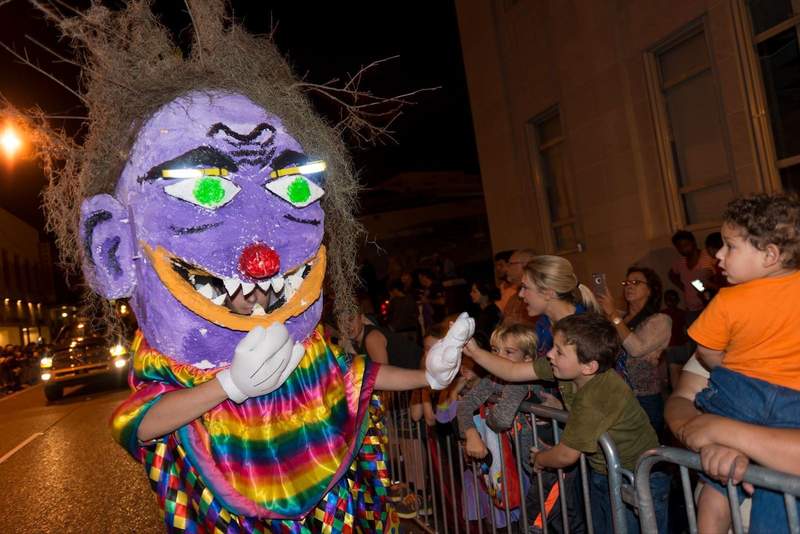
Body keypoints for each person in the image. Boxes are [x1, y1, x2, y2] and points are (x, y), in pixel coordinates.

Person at [466, 314, 668, 534]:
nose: (550, 354)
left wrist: (540, 459)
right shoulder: (563, 367)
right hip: (605, 471)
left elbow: (566, 455)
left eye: (559, 351)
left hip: (639, 477)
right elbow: (513, 371)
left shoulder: (598, 395)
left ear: (589, 367)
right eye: (554, 346)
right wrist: (476, 352)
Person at [679, 194, 800, 534]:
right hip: (794, 406)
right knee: (782, 485)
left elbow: (706, 352)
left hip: (740, 396)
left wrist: (730, 367)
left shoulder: (729, 298)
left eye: (729, 247)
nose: (718, 255)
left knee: (716, 482)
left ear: (770, 255)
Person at [597, 266, 671, 436]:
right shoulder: (620, 318)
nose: (629, 286)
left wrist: (612, 314)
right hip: (616, 396)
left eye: (636, 282)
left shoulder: (660, 320)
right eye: (626, 282)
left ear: (650, 290)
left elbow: (636, 349)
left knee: (648, 455)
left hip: (644, 399)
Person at [668, 230, 714, 321]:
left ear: (694, 242)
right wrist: (683, 287)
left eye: (686, 245)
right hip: (691, 309)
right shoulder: (681, 261)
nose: (683, 249)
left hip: (709, 306)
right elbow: (671, 274)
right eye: (680, 247)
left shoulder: (707, 257)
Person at [500, 248, 538, 327]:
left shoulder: (539, 295)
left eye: (510, 264)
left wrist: (519, 324)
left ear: (525, 265)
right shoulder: (513, 297)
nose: (506, 269)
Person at [661, 289, 689, 390]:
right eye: (668, 299)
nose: (670, 301)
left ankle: (681, 387)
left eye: (672, 299)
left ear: (677, 300)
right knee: (671, 369)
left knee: (682, 368)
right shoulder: (662, 314)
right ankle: (672, 387)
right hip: (669, 345)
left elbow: (687, 328)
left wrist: (686, 339)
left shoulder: (682, 313)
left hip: (680, 344)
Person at [469, 279, 503, 349]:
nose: (471, 294)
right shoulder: (481, 310)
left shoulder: (491, 313)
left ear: (485, 294)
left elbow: (483, 339)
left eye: (474, 291)